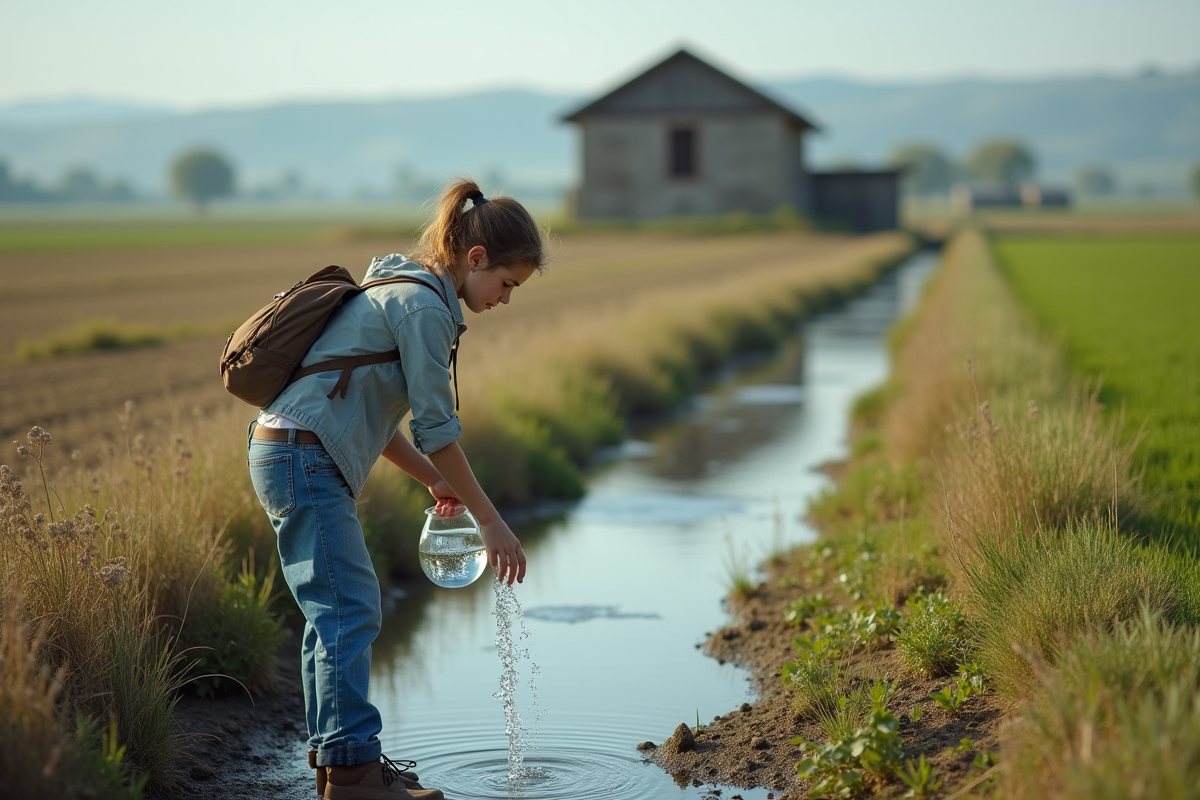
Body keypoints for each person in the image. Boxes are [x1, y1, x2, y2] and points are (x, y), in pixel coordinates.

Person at [246, 178, 543, 800]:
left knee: (331, 614)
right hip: (303, 457)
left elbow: (376, 419)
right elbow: (438, 430)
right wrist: (491, 522)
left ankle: (337, 766)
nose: (506, 298)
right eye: (507, 283)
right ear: (476, 258)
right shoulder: (426, 309)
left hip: (287, 450)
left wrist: (433, 479)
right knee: (350, 609)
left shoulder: (399, 288)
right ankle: (354, 775)